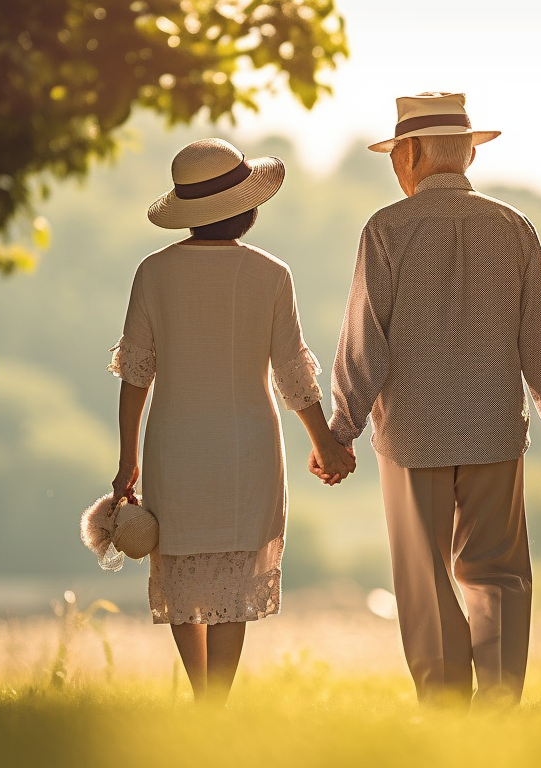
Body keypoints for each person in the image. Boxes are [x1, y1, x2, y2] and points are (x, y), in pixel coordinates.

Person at [324, 92, 541, 706]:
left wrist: (342, 428)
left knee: (425, 577)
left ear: (411, 153)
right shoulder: (514, 227)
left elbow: (366, 338)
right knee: (497, 572)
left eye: (396, 153)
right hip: (496, 429)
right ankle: (498, 706)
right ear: (466, 153)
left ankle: (444, 708)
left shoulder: (386, 229)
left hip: (412, 436)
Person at [108, 138, 355, 704]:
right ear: (247, 208)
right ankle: (217, 701)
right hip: (247, 447)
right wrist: (326, 444)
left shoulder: (153, 273)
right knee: (231, 578)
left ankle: (203, 697)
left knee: (182, 568)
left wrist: (128, 461)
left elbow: (135, 376)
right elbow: (292, 372)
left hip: (174, 443)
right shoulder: (271, 274)